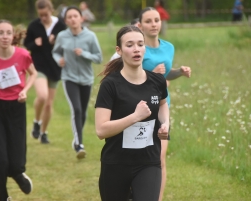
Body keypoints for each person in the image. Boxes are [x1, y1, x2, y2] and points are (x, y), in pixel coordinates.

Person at [95, 25, 169, 201]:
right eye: (129, 45)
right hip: (115, 163)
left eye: (140, 44)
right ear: (119, 50)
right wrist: (135, 117)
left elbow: (163, 105)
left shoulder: (157, 81)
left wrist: (165, 123)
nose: (136, 49)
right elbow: (101, 130)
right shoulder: (110, 85)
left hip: (148, 162)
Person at [0, 19, 37, 201]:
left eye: (8, 33)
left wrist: (25, 91)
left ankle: (18, 173)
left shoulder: (22, 55)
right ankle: (2, 195)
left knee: (16, 154)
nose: (5, 37)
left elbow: (33, 73)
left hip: (16, 107)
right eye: (1, 33)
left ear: (13, 36)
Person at [138, 7, 191, 201]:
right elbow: (132, 77)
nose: (153, 24)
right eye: (149, 21)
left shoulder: (169, 47)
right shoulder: (138, 49)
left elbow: (166, 75)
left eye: (156, 20)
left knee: (160, 158)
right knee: (139, 158)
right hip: (140, 109)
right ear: (140, 25)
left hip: (162, 107)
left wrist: (179, 72)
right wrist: (152, 72)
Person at [52, 6, 102, 159]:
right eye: (69, 17)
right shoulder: (62, 36)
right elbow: (55, 51)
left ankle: (77, 138)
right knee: (77, 110)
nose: (73, 19)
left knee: (83, 112)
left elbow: (98, 58)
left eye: (75, 16)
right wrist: (58, 59)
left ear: (81, 18)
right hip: (69, 78)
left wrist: (84, 53)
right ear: (66, 21)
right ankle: (79, 144)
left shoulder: (90, 36)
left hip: (87, 79)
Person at [24, 0, 66, 144]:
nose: (43, 18)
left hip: (55, 68)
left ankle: (43, 132)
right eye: (40, 15)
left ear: (51, 11)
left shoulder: (60, 25)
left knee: (49, 103)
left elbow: (66, 44)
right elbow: (26, 44)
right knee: (42, 96)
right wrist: (34, 44)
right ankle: (36, 121)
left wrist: (57, 42)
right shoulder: (34, 25)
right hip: (38, 66)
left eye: (45, 14)